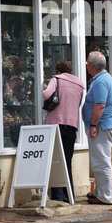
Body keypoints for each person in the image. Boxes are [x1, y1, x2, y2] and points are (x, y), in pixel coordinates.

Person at [43, 60, 85, 202]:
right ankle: (69, 196)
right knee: (67, 161)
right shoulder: (79, 84)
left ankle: (58, 197)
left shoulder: (56, 79)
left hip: (56, 125)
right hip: (72, 126)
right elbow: (78, 103)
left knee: (56, 161)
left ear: (59, 71)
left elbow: (46, 94)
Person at [82, 51, 112, 205]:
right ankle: (99, 192)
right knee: (100, 159)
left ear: (91, 66)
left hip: (101, 126)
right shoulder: (105, 78)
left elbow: (100, 105)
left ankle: (105, 196)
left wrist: (92, 125)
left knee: (101, 161)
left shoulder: (100, 81)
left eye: (86, 64)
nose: (86, 66)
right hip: (106, 125)